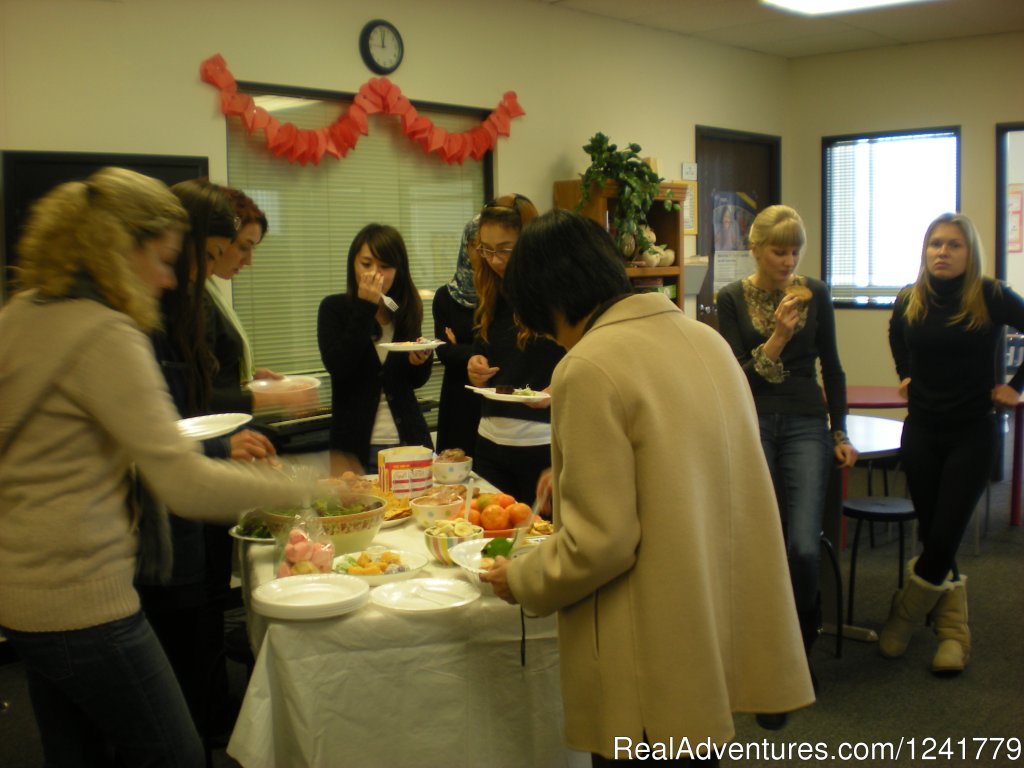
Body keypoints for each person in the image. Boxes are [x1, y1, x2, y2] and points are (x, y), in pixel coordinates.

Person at [0, 167, 317, 768]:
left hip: (19, 595)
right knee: (176, 752)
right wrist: (311, 481)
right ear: (121, 249)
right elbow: (184, 482)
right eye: (167, 258)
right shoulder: (103, 332)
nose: (172, 278)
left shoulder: (22, 312)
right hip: (81, 598)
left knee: (77, 754)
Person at [481, 209, 814, 765]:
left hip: (646, 642)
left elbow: (601, 543)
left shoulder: (588, 365)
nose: (554, 340)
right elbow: (682, 470)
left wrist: (522, 577)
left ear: (552, 299)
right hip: (712, 613)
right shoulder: (705, 341)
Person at [138, 178, 275, 763]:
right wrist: (229, 440)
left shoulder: (188, 303)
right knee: (180, 649)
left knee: (199, 630)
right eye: (220, 252)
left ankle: (208, 725)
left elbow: (197, 401)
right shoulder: (145, 316)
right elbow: (164, 431)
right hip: (162, 520)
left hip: (191, 503)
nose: (180, 274)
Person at [715, 205, 856, 719]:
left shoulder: (814, 294)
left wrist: (839, 430)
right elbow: (735, 377)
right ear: (755, 250)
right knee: (762, 544)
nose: (788, 260)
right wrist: (776, 336)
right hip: (754, 422)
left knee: (801, 545)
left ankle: (800, 651)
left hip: (802, 421)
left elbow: (833, 368)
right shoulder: (730, 299)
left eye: (795, 250)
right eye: (778, 250)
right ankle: (767, 660)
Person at [882, 212, 1024, 674]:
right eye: (935, 244)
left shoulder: (991, 295)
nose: (942, 252)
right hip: (922, 430)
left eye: (953, 245)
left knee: (945, 533)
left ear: (970, 253)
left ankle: (904, 616)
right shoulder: (911, 298)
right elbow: (896, 335)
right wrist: (905, 372)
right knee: (931, 532)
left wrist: (1017, 386)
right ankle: (953, 635)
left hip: (973, 432)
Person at [467, 194, 564, 504]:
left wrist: (555, 388)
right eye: (487, 249)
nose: (494, 260)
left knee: (539, 540)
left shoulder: (554, 290)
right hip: (490, 438)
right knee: (490, 538)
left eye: (505, 249)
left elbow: (584, 354)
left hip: (540, 441)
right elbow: (487, 349)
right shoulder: (490, 287)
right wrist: (476, 363)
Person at [318, 223, 434, 474]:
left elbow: (413, 382)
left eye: (385, 266)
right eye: (367, 264)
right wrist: (364, 308)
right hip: (356, 447)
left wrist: (420, 361)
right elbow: (339, 367)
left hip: (408, 442)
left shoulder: (403, 310)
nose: (375, 274)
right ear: (353, 264)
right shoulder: (333, 309)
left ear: (398, 270)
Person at [205, 186, 295, 414]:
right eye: (244, 247)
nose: (248, 261)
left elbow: (214, 370)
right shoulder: (189, 296)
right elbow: (191, 394)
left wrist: (246, 376)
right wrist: (266, 398)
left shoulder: (207, 288)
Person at [432, 216, 482, 453]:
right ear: (466, 247)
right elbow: (443, 351)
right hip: (457, 398)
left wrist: (459, 347)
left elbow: (505, 351)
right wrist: (478, 350)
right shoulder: (446, 296)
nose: (482, 253)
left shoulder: (504, 294)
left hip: (493, 397)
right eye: (477, 246)